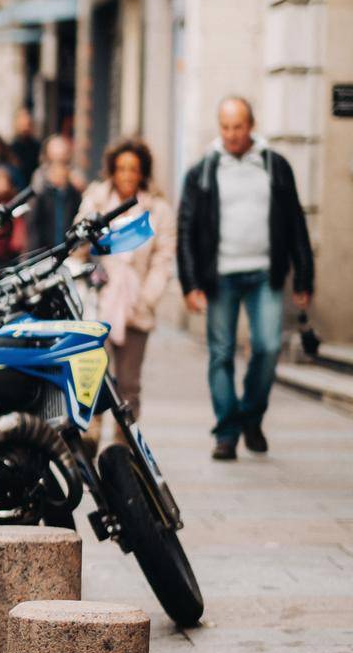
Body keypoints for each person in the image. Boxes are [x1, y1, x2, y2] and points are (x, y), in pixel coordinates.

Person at [177, 96, 315, 460]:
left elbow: (295, 223)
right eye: (225, 127)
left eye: (238, 127)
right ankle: (227, 432)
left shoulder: (274, 166)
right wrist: (190, 284)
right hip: (219, 276)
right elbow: (186, 229)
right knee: (220, 353)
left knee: (268, 347)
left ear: (251, 125)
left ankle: (250, 417)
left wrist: (304, 276)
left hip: (264, 274)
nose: (232, 134)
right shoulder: (202, 171)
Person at [76, 137, 174, 426]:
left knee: (129, 385)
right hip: (98, 305)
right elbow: (78, 247)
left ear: (143, 172)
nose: (128, 175)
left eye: (134, 169)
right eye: (122, 168)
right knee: (92, 379)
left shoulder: (158, 210)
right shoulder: (96, 201)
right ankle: (90, 440)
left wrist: (146, 298)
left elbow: (163, 258)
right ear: (112, 171)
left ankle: (125, 448)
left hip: (136, 306)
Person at [30, 135, 84, 251]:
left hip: (69, 241)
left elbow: (83, 200)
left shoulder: (75, 174)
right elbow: (33, 213)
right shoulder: (40, 174)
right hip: (44, 243)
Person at [10, 108, 42, 189]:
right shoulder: (10, 148)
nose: (25, 128)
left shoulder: (37, 147)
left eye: (27, 125)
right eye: (22, 125)